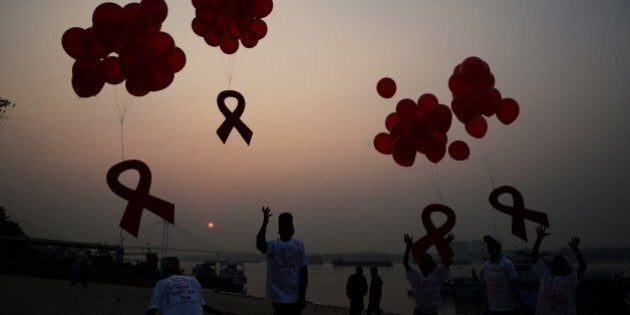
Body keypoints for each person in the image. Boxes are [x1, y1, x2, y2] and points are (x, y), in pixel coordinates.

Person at [256, 206, 308, 315]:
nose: (287, 226)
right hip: (278, 301)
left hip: (295, 300)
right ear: (279, 228)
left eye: (289, 223)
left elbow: (304, 273)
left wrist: (302, 296)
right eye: (284, 224)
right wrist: (265, 223)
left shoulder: (299, 245)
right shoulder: (273, 245)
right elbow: (260, 245)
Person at [146, 257, 234, 315]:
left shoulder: (162, 283)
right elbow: (203, 305)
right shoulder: (193, 280)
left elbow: (153, 308)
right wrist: (222, 314)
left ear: (163, 270)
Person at [530, 225, 586, 315]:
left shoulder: (545, 276)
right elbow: (583, 267)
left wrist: (538, 240)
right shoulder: (569, 280)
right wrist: (576, 250)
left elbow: (534, 257)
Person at [403, 233, 453, 315]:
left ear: (431, 262)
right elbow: (405, 263)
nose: (425, 261)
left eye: (427, 259)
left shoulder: (436, 274)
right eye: (422, 260)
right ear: (419, 264)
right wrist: (408, 247)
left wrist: (445, 245)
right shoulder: (416, 276)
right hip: (419, 312)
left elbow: (447, 262)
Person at [481, 235, 521, 315]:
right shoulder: (486, 265)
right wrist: (486, 307)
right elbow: (487, 288)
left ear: (498, 248)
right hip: (492, 309)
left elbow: (515, 286)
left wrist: (519, 306)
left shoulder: (507, 264)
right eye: (488, 245)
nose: (489, 247)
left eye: (491, 245)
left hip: (508, 309)